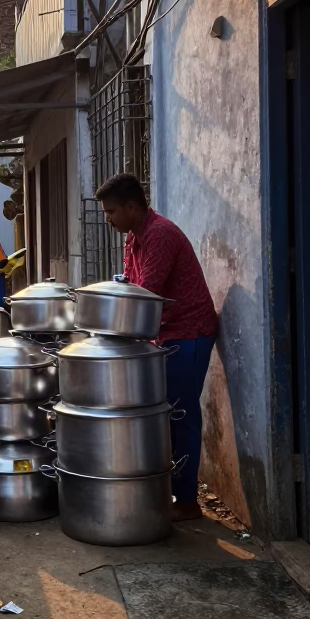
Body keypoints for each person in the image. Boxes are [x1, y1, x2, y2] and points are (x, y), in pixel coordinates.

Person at [97, 173, 218, 521]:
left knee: (181, 414)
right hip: (163, 333)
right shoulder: (133, 238)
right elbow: (129, 288)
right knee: (161, 416)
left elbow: (146, 294)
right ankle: (164, 488)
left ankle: (188, 500)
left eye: (111, 212)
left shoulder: (160, 235)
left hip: (188, 331)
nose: (108, 219)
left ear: (132, 207)